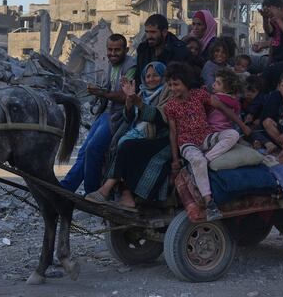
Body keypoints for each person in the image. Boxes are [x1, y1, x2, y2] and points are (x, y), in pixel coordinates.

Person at [164, 63, 251, 219]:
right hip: (187, 143)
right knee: (197, 160)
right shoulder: (170, 106)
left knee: (232, 135)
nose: (172, 88)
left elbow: (224, 109)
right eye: (170, 85)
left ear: (185, 83)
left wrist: (242, 126)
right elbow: (173, 132)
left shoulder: (199, 95)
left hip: (206, 138)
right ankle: (209, 202)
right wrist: (175, 159)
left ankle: (207, 158)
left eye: (176, 84)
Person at [86, 62, 171, 209]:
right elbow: (129, 117)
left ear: (163, 76)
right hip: (139, 134)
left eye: (156, 75)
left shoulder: (168, 92)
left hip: (160, 138)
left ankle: (107, 190)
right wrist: (129, 101)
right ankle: (124, 194)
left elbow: (160, 118)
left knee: (126, 145)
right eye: (148, 76)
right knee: (119, 143)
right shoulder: (141, 92)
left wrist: (139, 103)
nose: (151, 79)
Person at [61, 34, 135, 193]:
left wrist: (101, 93)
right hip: (106, 113)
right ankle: (66, 188)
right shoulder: (111, 64)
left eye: (117, 50)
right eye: (110, 50)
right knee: (83, 151)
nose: (113, 54)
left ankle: (92, 193)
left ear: (126, 50)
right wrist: (99, 91)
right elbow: (109, 90)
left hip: (119, 116)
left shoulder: (131, 66)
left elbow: (124, 96)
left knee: (93, 149)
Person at [135, 14, 192, 86]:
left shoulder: (179, 51)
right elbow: (138, 77)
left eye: (153, 32)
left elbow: (185, 80)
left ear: (164, 32)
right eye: (147, 32)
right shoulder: (143, 49)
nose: (149, 36)